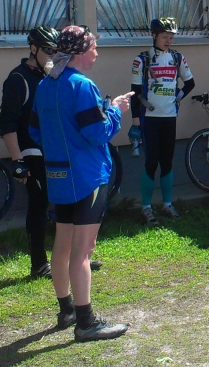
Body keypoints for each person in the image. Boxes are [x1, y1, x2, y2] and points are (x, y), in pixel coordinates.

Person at [30, 25, 132, 342]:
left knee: (62, 246)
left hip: (58, 176)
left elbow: (35, 131)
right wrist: (115, 111)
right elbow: (97, 133)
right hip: (87, 177)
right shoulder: (82, 85)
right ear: (80, 52)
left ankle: (67, 310)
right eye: (94, 47)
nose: (97, 52)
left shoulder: (45, 85)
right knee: (83, 252)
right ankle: (86, 323)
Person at [0, 26, 58, 279]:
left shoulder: (50, 76)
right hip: (31, 151)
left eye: (56, 51)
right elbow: (7, 124)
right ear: (33, 49)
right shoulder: (18, 79)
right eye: (48, 50)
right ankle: (38, 264)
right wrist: (17, 160)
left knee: (66, 203)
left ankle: (75, 257)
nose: (53, 55)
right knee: (39, 204)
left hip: (53, 149)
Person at [129, 17, 195, 227]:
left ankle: (167, 204)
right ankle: (146, 208)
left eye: (171, 37)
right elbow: (135, 92)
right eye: (165, 37)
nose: (168, 41)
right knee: (151, 162)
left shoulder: (177, 58)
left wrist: (178, 97)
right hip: (149, 119)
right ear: (154, 36)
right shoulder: (142, 59)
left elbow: (190, 83)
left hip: (169, 117)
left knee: (167, 161)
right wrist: (135, 121)